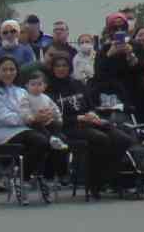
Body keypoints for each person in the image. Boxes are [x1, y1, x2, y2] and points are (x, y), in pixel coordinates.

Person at [46, 54, 132, 199]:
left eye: (64, 66)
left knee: (123, 139)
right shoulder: (49, 89)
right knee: (100, 138)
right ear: (52, 69)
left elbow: (90, 105)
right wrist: (78, 118)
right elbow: (53, 117)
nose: (61, 69)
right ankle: (94, 183)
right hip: (68, 126)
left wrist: (92, 114)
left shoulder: (78, 84)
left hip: (89, 121)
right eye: (58, 66)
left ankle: (109, 177)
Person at [0, 56, 55, 204]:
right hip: (3, 131)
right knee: (39, 141)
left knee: (54, 140)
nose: (8, 73)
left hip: (26, 128)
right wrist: (31, 118)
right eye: (4, 70)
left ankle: (41, 176)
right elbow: (3, 117)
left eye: (12, 69)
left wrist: (44, 115)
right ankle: (22, 179)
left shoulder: (21, 91)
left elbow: (33, 109)